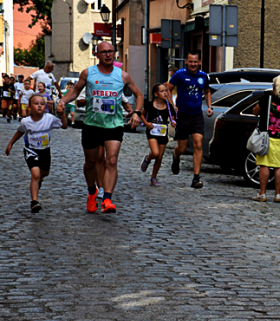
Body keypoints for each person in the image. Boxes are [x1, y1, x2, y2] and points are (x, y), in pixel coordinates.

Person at [57, 41, 142, 214]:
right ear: (97, 54)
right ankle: (91, 192)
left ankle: (108, 199)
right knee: (91, 163)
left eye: (111, 51)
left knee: (111, 160)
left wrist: (137, 113)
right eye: (104, 52)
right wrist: (63, 101)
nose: (108, 55)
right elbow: (75, 92)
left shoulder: (123, 76)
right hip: (92, 124)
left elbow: (138, 94)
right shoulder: (88, 73)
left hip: (114, 125)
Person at [4, 93, 69, 213]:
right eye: (36, 103)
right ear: (29, 107)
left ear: (45, 107)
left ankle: (40, 180)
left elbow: (64, 126)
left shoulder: (49, 118)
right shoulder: (26, 121)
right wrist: (11, 144)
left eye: (42, 104)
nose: (39, 106)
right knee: (35, 174)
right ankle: (34, 201)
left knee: (45, 173)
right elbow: (20, 132)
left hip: (45, 150)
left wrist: (63, 115)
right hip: (31, 150)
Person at [164, 52, 212, 189]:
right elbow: (168, 88)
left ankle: (196, 178)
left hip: (196, 116)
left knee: (198, 144)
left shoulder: (203, 76)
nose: (193, 64)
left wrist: (210, 106)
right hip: (183, 116)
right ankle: (176, 155)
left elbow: (207, 91)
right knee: (182, 147)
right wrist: (172, 105)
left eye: (195, 62)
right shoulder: (179, 74)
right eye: (190, 61)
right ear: (186, 61)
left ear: (199, 62)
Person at [251, 75, 280, 203]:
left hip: (267, 136)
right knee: (279, 166)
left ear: (274, 86)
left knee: (264, 165)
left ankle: (262, 194)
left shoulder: (267, 98)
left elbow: (255, 112)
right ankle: (278, 195)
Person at [140, 83, 176, 186]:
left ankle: (153, 177)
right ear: (156, 94)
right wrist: (146, 124)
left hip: (163, 133)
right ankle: (148, 158)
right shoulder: (149, 105)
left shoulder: (169, 107)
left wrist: (174, 123)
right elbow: (142, 114)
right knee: (155, 153)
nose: (165, 93)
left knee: (159, 157)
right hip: (152, 131)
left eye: (166, 91)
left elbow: (173, 118)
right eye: (162, 91)